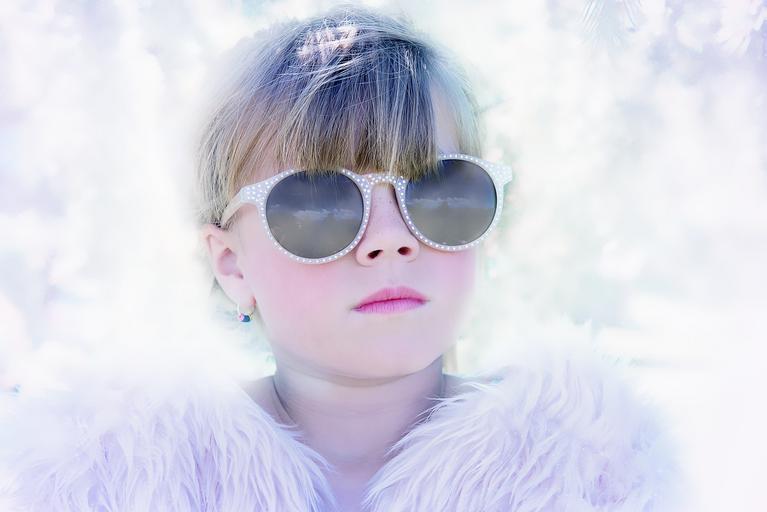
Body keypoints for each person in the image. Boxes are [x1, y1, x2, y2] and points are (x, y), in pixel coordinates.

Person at [0, 4, 681, 511]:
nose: (390, 237)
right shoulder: (112, 482)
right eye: (320, 202)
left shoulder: (597, 475)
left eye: (440, 191)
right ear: (232, 264)